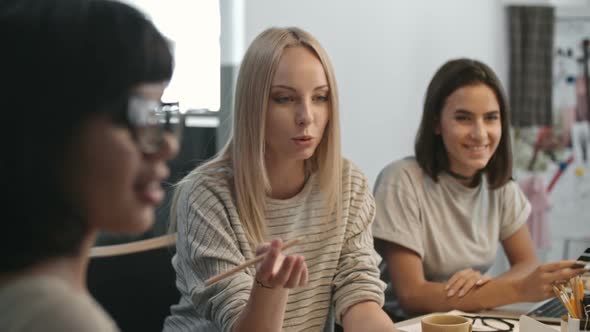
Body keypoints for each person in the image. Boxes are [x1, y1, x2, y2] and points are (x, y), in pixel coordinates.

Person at [163, 27, 396, 332]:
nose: (307, 116)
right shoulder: (206, 195)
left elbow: (360, 297)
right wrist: (268, 290)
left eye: (320, 97)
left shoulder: (347, 182)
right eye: (285, 99)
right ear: (253, 104)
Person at [0, 0, 180, 330]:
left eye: (159, 114)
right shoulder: (54, 318)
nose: (168, 144)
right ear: (49, 127)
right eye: (139, 115)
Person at [372, 58, 587, 319]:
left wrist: (486, 288)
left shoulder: (501, 186)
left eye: (491, 118)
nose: (480, 133)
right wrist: (514, 289)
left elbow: (527, 263)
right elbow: (412, 296)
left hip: (467, 319)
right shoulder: (400, 180)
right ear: (436, 123)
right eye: (463, 118)